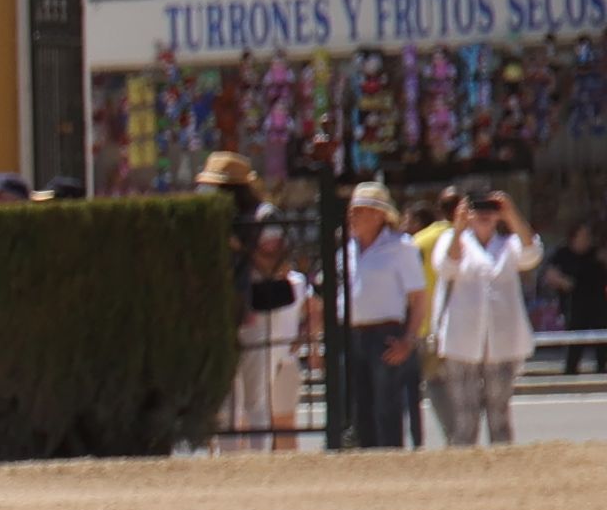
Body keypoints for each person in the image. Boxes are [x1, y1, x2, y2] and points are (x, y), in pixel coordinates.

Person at [428, 185, 538, 446]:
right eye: (479, 210)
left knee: (499, 413)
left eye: (491, 210)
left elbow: (531, 255)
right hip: (462, 339)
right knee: (465, 416)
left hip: (501, 340)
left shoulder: (508, 245)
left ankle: (502, 470)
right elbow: (446, 266)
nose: (484, 215)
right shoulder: (453, 241)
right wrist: (458, 227)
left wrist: (511, 215)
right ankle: (464, 471)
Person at [327, 177, 425, 450]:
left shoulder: (401, 247)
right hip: (351, 334)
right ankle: (367, 464)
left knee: (387, 407)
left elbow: (418, 298)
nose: (352, 215)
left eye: (359, 209)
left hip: (385, 333)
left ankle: (390, 462)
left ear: (378, 214)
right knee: (358, 408)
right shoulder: (346, 250)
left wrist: (408, 339)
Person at [231, 212, 310, 451]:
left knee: (256, 401)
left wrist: (243, 250)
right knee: (231, 406)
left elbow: (279, 266)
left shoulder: (263, 216)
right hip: (237, 321)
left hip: (261, 326)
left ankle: (259, 460)